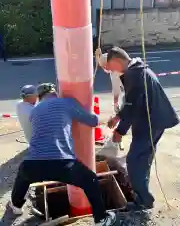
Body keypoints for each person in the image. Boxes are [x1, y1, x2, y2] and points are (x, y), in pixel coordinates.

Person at [7, 83, 117, 226]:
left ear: (39, 97)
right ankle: (101, 219)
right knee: (90, 180)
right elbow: (93, 121)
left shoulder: (34, 111)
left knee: (23, 176)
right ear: (55, 93)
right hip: (62, 163)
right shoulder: (66, 103)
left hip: (33, 164)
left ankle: (15, 207)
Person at [106, 47, 179, 211]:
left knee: (134, 161)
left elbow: (133, 106)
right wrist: (118, 116)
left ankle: (144, 200)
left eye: (111, 67)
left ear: (116, 61)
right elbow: (133, 100)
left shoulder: (134, 74)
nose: (112, 72)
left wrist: (120, 131)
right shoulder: (137, 70)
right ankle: (143, 194)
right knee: (143, 159)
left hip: (150, 123)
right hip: (155, 120)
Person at [95, 48, 125, 113]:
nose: (105, 68)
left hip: (120, 73)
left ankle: (121, 105)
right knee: (116, 91)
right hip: (115, 74)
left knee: (125, 89)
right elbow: (102, 66)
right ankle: (116, 105)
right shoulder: (105, 61)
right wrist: (97, 56)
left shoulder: (114, 63)